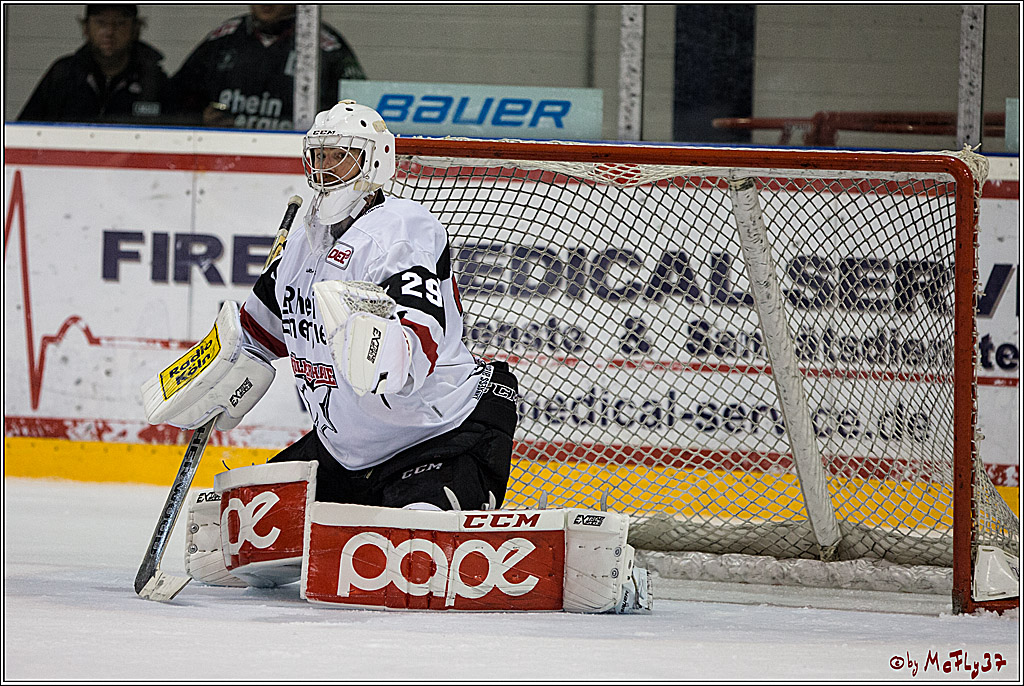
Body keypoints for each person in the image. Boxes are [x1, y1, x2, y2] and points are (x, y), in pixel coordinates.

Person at [143, 100, 518, 513]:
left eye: (340, 156)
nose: (325, 168)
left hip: (439, 435)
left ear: (375, 161)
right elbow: (257, 331)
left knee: (413, 551)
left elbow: (419, 340)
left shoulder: (401, 228)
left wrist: (385, 351)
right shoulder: (304, 240)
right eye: (319, 156)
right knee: (230, 528)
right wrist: (217, 371)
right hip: (347, 451)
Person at [165, 5, 366, 130]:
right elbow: (172, 99)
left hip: (295, 157)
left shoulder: (325, 46)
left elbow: (357, 112)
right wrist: (200, 118)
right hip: (224, 152)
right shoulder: (224, 38)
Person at [18, 4, 168, 124]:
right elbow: (24, 133)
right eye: (100, 22)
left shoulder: (153, 80)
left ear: (136, 29)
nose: (109, 31)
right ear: (86, 28)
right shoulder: (63, 75)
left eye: (120, 23)